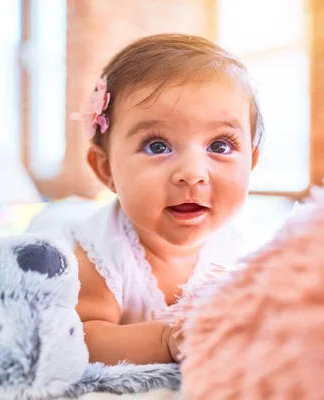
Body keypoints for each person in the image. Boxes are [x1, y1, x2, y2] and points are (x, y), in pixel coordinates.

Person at [61, 33, 264, 365]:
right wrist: (166, 340)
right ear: (106, 168)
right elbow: (80, 336)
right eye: (157, 146)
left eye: (220, 145)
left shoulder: (244, 249)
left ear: (251, 164)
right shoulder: (103, 253)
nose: (192, 173)